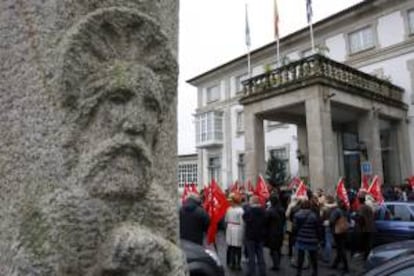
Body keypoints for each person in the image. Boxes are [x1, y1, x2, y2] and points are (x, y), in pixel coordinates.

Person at [294, 199, 319, 276]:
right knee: (313, 257)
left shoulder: (297, 215)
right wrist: (319, 238)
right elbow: (317, 228)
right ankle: (315, 272)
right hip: (312, 238)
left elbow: (295, 228)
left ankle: (299, 272)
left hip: (301, 238)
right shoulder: (314, 216)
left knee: (300, 257)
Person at [243, 195, 267, 276]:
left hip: (250, 236)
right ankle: (262, 272)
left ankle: (251, 272)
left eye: (250, 201)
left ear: (252, 202)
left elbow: (244, 218)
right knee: (260, 255)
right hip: (260, 236)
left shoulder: (249, 211)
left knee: (251, 256)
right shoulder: (263, 210)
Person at [265, 193, 286, 271]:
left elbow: (266, 221)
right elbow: (284, 220)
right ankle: (278, 263)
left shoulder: (270, 210)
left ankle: (276, 265)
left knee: (273, 249)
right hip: (280, 231)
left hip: (272, 232)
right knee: (278, 248)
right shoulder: (282, 209)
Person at [225, 193, 244, 270]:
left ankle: (238, 264)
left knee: (237, 247)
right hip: (231, 228)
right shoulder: (229, 209)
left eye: (231, 201)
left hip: (237, 229)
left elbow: (242, 222)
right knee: (231, 246)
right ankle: (232, 263)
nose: (229, 202)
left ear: (235, 201)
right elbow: (226, 220)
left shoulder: (240, 210)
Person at [329, 200, 350, 274]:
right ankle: (335, 264)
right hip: (344, 231)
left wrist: (331, 225)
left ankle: (346, 266)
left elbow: (331, 221)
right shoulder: (346, 211)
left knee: (340, 249)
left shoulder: (337, 211)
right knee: (340, 248)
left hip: (338, 231)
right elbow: (349, 221)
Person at [356, 192, 375, 260]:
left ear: (359, 200)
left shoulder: (361, 207)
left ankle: (366, 257)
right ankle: (367, 256)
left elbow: (361, 218)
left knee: (365, 243)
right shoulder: (368, 207)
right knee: (368, 243)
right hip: (370, 227)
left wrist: (360, 225)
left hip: (365, 228)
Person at [320, 195, 337, 264]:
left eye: (326, 199)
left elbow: (321, 217)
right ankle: (327, 255)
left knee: (328, 242)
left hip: (327, 225)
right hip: (333, 226)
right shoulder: (335, 208)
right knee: (329, 241)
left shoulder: (325, 209)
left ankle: (327, 257)